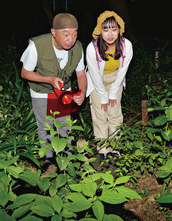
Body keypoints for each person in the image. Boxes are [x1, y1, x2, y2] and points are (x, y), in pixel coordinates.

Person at [20, 13, 87, 164]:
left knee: (64, 124)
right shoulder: (37, 46)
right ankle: (49, 162)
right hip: (41, 91)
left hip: (64, 91)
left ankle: (67, 161)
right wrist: (48, 80)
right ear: (53, 32)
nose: (71, 39)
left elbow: (81, 74)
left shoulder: (77, 48)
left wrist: (82, 91)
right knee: (45, 127)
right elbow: (24, 73)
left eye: (75, 34)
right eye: (66, 34)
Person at [86, 10, 133, 164]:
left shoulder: (126, 45)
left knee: (114, 114)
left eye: (114, 29)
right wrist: (103, 96)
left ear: (120, 30)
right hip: (96, 80)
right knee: (100, 114)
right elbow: (94, 74)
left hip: (115, 79)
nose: (110, 34)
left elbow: (123, 71)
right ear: (100, 30)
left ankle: (115, 148)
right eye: (105, 29)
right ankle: (103, 151)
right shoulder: (92, 48)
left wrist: (112, 94)